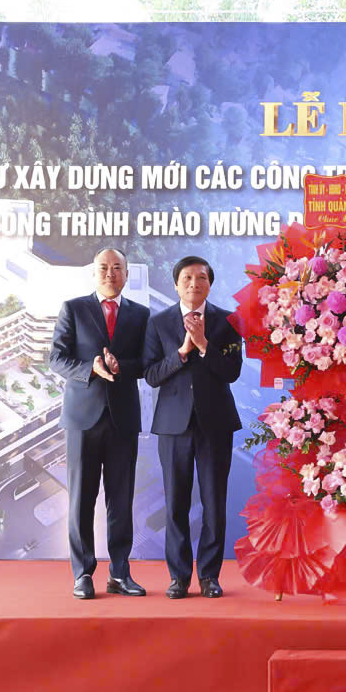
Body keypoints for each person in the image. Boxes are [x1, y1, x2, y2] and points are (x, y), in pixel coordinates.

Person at [49, 248, 150, 599]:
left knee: (121, 500)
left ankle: (120, 573)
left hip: (123, 419)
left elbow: (147, 363)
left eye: (117, 268)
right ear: (94, 273)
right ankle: (82, 574)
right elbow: (56, 358)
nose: (110, 273)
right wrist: (89, 368)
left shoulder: (140, 314)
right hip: (82, 418)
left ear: (126, 274)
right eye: (104, 268)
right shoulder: (73, 309)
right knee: (81, 499)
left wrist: (123, 366)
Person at [144, 256, 243, 600]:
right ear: (176, 284)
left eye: (201, 278)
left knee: (214, 502)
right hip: (173, 425)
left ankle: (210, 576)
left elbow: (232, 371)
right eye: (187, 277)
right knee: (176, 504)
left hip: (215, 424)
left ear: (209, 284)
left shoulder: (228, 322)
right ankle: (179, 577)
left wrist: (203, 345)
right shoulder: (158, 323)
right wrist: (183, 352)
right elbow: (151, 374)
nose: (194, 283)